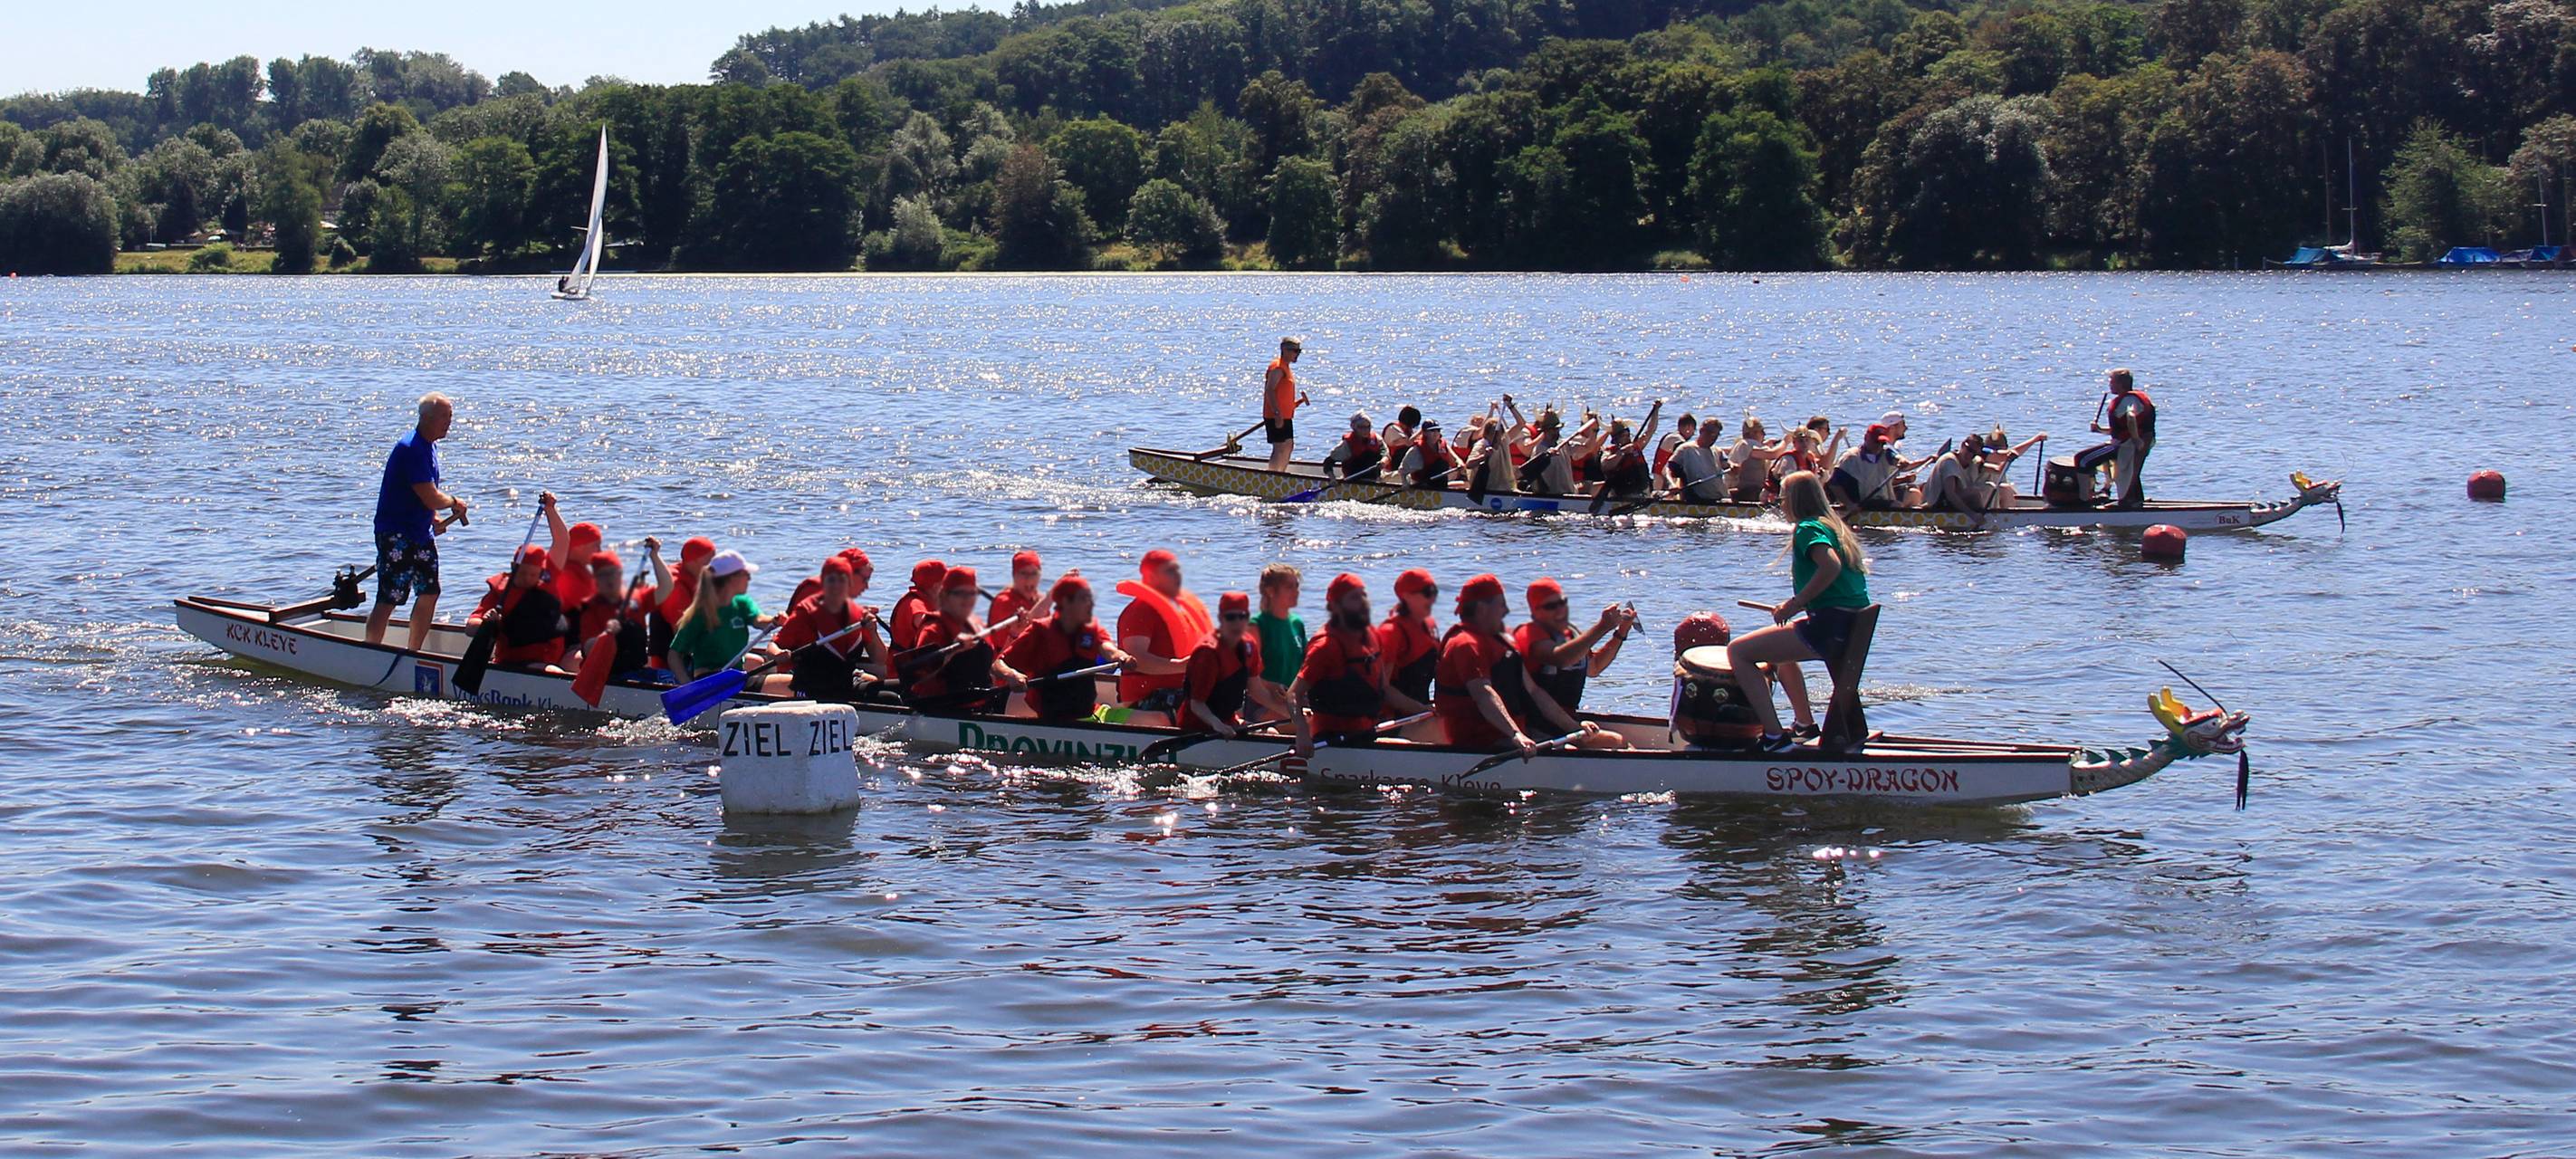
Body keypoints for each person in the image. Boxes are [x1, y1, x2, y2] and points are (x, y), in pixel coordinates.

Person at [1727, 471, 1871, 751]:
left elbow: (1831, 566)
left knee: (1738, 652)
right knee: (1778, 653)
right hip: (1846, 624)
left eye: (1782, 497)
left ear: (1793, 500)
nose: (1780, 504)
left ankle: (1773, 737)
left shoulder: (1808, 528)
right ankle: (1804, 724)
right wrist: (1801, 605)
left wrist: (1794, 604)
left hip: (1830, 627)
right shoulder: (1834, 525)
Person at [1435, 575, 1607, 753]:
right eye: (1501, 604)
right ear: (1481, 609)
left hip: (1514, 735)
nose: (1506, 611)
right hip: (1481, 742)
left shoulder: (1501, 640)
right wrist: (1515, 734)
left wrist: (1573, 727)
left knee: (1601, 744)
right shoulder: (1465, 644)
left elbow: (1534, 692)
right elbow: (1483, 694)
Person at [366, 392, 470, 651]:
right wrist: (454, 502)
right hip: (397, 534)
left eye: (450, 417)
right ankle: (370, 650)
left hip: (420, 533)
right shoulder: (411, 448)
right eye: (444, 417)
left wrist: (433, 518)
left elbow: (423, 498)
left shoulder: (429, 447)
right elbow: (431, 496)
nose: (449, 423)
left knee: (429, 592)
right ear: (426, 418)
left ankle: (413, 652)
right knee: (389, 597)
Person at [1292, 573, 1429, 756]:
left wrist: (1423, 710)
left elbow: (1385, 690)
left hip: (1365, 733)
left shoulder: (1371, 636)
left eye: (1363, 594)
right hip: (1331, 739)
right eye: (1355, 597)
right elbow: (1293, 694)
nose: (1363, 601)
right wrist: (1302, 733)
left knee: (1423, 733)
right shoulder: (1326, 646)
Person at [997, 574, 1135, 721]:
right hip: (1050, 716)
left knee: (1155, 719)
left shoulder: (1091, 630)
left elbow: (1109, 650)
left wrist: (1122, 657)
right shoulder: (1040, 630)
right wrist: (1012, 675)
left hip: (1088, 714)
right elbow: (998, 664)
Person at [766, 554, 886, 701]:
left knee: (889, 688)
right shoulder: (807, 612)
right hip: (811, 687)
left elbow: (881, 660)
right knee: (889, 699)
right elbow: (774, 646)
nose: (866, 587)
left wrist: (873, 633)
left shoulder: (858, 616)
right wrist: (778, 654)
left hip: (842, 682)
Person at [1513, 578, 1637, 719]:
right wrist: (1603, 626)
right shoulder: (1529, 634)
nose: (1559, 610)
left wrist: (1621, 632)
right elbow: (1560, 658)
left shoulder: (1571, 633)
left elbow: (1594, 667)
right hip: (1538, 721)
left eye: (1562, 603)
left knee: (1616, 740)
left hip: (1567, 718)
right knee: (1616, 741)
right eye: (1550, 606)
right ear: (1535, 611)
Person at [1116, 549, 1211, 714]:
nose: (1177, 576)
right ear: (1151, 577)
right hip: (1148, 697)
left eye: (1177, 570)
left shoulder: (1179, 611)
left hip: (1182, 691)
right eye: (1170, 571)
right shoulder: (1139, 612)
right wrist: (1182, 666)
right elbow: (1136, 660)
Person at [1182, 591, 1281, 737]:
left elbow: (1257, 690)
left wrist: (1292, 713)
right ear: (1221, 618)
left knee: (1272, 733)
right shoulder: (1208, 652)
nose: (1237, 623)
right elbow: (1196, 704)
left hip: (1229, 721)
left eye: (1242, 617)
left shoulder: (1249, 645)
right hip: (1197, 727)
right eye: (1231, 617)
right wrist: (1216, 724)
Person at [668, 550, 775, 683]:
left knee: (763, 664)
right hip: (710, 679)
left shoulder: (742, 603)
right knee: (788, 684)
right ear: (731, 578)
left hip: (735, 675)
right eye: (745, 574)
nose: (749, 578)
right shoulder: (701, 613)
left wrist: (775, 620)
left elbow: (760, 621)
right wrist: (686, 685)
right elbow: (674, 654)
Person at [562, 543, 664, 682]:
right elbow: (588, 649)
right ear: (596, 580)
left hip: (638, 672)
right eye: (603, 575)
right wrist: (606, 633)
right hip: (610, 676)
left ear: (620, 574)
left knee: (672, 679)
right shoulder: (590, 610)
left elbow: (666, 588)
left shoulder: (636, 600)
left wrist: (655, 556)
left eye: (612, 573)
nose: (609, 579)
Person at [906, 567, 1004, 711]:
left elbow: (992, 664)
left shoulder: (976, 624)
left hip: (980, 703)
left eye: (971, 593)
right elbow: (919, 674)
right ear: (944, 596)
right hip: (944, 706)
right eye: (959, 593)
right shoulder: (933, 629)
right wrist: (953, 651)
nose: (967, 599)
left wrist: (1013, 636)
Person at [466, 544, 569, 671]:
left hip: (554, 656)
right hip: (516, 661)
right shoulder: (500, 593)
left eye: (533, 574)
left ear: (541, 572)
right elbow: (470, 627)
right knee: (553, 671)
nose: (527, 578)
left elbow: (562, 542)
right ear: (514, 567)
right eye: (523, 573)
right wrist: (487, 624)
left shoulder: (548, 588)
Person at [2080, 368, 2156, 508]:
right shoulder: (2130, 399)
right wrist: (2100, 430)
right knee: (2131, 474)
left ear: (2121, 384)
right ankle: (2135, 501)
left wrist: (2135, 439)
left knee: (2082, 460)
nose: (2109, 384)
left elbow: (2131, 417)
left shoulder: (2129, 399)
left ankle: (2084, 501)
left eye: (2111, 381)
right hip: (2126, 443)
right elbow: (2122, 429)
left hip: (2127, 446)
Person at [1372, 567, 1442, 708]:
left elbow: (1439, 673)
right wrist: (1420, 710)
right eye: (1427, 593)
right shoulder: (1392, 632)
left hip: (1423, 711)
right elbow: (1382, 688)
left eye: (1434, 592)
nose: (1432, 598)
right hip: (1393, 716)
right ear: (1407, 597)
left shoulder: (1430, 625)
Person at [650, 537, 716, 669]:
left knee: (754, 661)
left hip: (695, 652)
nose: (714, 565)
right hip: (669, 665)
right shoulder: (676, 587)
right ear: (695, 561)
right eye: (710, 560)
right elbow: (682, 635)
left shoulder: (698, 577)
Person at [1250, 563, 1307, 711]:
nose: (1296, 592)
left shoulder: (1297, 624)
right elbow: (1247, 679)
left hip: (1295, 701)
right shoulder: (1257, 626)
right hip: (1264, 704)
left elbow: (1306, 667)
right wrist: (1270, 685)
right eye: (1289, 587)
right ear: (1270, 591)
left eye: (1297, 586)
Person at [1827, 424, 1918, 510]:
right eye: (1876, 442)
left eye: (1882, 443)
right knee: (1895, 505)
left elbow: (1898, 457)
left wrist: (1902, 461)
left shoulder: (1886, 453)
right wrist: (1849, 504)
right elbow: (1834, 485)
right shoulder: (1850, 458)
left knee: (1909, 496)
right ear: (1866, 438)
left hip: (1881, 502)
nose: (1879, 446)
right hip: (1859, 504)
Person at [986, 551, 1053, 652]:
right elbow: (1029, 625)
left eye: (1034, 573)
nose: (1029, 579)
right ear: (1014, 575)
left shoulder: (1040, 599)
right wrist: (1052, 595)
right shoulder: (1003, 601)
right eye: (1024, 573)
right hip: (1003, 659)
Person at [1726, 418, 1792, 503]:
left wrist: (1764, 444)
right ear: (1751, 433)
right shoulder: (1746, 444)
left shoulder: (1746, 445)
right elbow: (1773, 454)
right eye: (1762, 431)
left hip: (1753, 490)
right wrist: (1785, 441)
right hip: (1746, 491)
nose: (1765, 434)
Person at [1264, 337, 1304, 473]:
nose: (1297, 354)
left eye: (1299, 351)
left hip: (1285, 416)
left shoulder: (1286, 368)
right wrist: (1277, 413)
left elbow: (1283, 396)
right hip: (1275, 415)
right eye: (1294, 351)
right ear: (1284, 350)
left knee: (1288, 446)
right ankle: (1272, 475)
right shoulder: (1278, 367)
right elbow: (1269, 390)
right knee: (1280, 447)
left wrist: (1296, 403)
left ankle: (1281, 473)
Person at [889, 559, 947, 652]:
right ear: (936, 586)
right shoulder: (915, 604)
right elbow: (928, 628)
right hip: (908, 664)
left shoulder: (930, 600)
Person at [1671, 418, 1728, 503]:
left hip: (1719, 498)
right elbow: (1668, 469)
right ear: (1702, 431)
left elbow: (1727, 465)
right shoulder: (1685, 449)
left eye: (1716, 435)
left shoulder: (1718, 451)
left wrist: (1734, 467)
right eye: (1711, 433)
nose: (1714, 438)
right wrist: (1672, 485)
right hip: (1697, 499)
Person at [1321, 413, 1384, 481]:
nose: (1365, 430)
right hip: (1354, 481)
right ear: (1353, 427)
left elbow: (1385, 452)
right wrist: (1332, 478)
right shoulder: (1347, 445)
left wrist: (1384, 461)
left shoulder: (1377, 439)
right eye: (1361, 427)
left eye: (1368, 427)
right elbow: (1328, 463)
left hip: (1376, 479)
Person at [1398, 418, 1459, 488]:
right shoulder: (1417, 450)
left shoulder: (1442, 445)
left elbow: (1454, 461)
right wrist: (1405, 483)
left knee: (1442, 464)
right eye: (1432, 431)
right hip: (1422, 484)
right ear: (1425, 433)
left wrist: (1459, 464)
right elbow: (1402, 471)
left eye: (1438, 430)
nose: (1436, 433)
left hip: (1439, 482)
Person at [1653, 414, 1698, 488]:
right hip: (1663, 484)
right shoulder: (1676, 439)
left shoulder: (1671, 436)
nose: (1693, 434)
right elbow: (1689, 453)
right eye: (1694, 429)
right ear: (1688, 427)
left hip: (1663, 479)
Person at [1381, 406, 1423, 474]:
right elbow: (1408, 442)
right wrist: (1421, 431)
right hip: (1392, 467)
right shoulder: (1393, 428)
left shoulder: (1408, 431)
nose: (1412, 428)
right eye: (1412, 425)